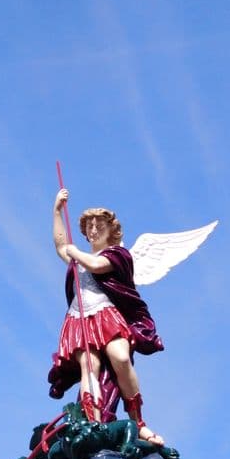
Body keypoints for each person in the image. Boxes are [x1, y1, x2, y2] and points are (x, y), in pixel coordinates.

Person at [48, 188, 165, 445]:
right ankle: (94, 422)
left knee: (120, 357)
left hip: (106, 314)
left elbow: (96, 266)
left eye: (99, 225)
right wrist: (57, 211)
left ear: (111, 230)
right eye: (89, 226)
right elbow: (60, 244)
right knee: (89, 368)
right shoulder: (78, 258)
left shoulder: (117, 255)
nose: (93, 230)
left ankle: (138, 422)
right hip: (79, 318)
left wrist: (73, 252)